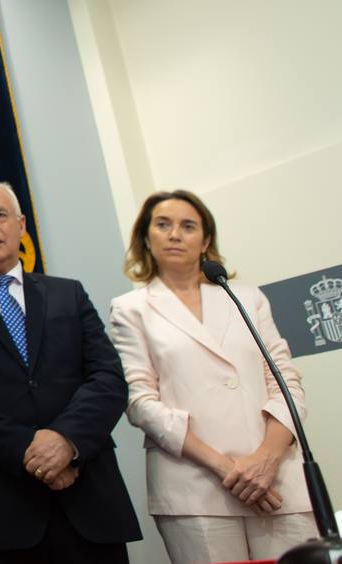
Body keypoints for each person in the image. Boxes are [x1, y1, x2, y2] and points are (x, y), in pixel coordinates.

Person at [0, 178, 141, 564]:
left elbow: (108, 378)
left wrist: (66, 443)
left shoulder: (68, 293)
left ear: (21, 225)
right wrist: (29, 450)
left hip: (87, 499)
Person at [108, 190, 313, 564]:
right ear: (146, 239)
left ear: (205, 241)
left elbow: (285, 382)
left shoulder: (247, 298)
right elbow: (140, 404)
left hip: (276, 479)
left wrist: (265, 460)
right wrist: (229, 469)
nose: (175, 234)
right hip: (195, 488)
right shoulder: (131, 309)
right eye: (163, 225)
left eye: (188, 226)